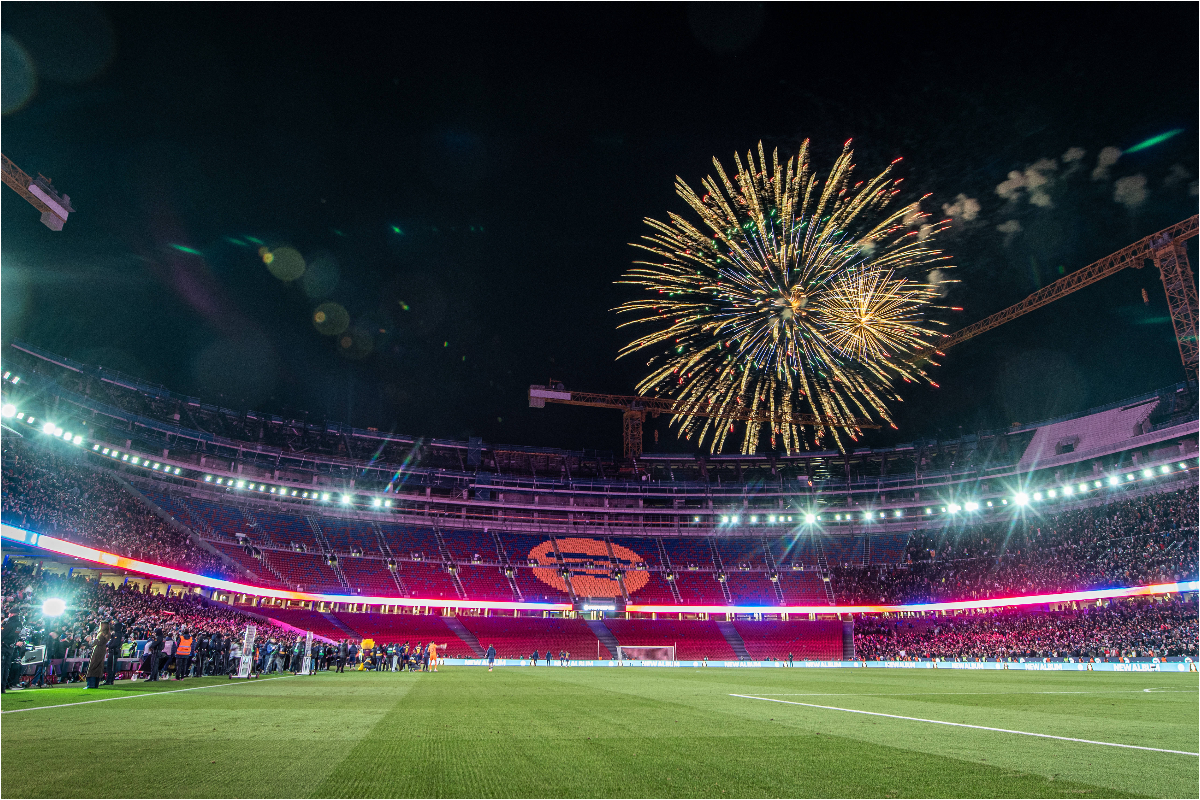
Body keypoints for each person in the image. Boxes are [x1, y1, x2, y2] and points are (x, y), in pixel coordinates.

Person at [85, 620, 112, 690]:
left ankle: (91, 684)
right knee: (99, 666)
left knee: (93, 666)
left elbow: (96, 642)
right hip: (102, 650)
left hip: (98, 650)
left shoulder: (101, 634)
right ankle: (95, 684)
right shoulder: (108, 634)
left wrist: (93, 641)